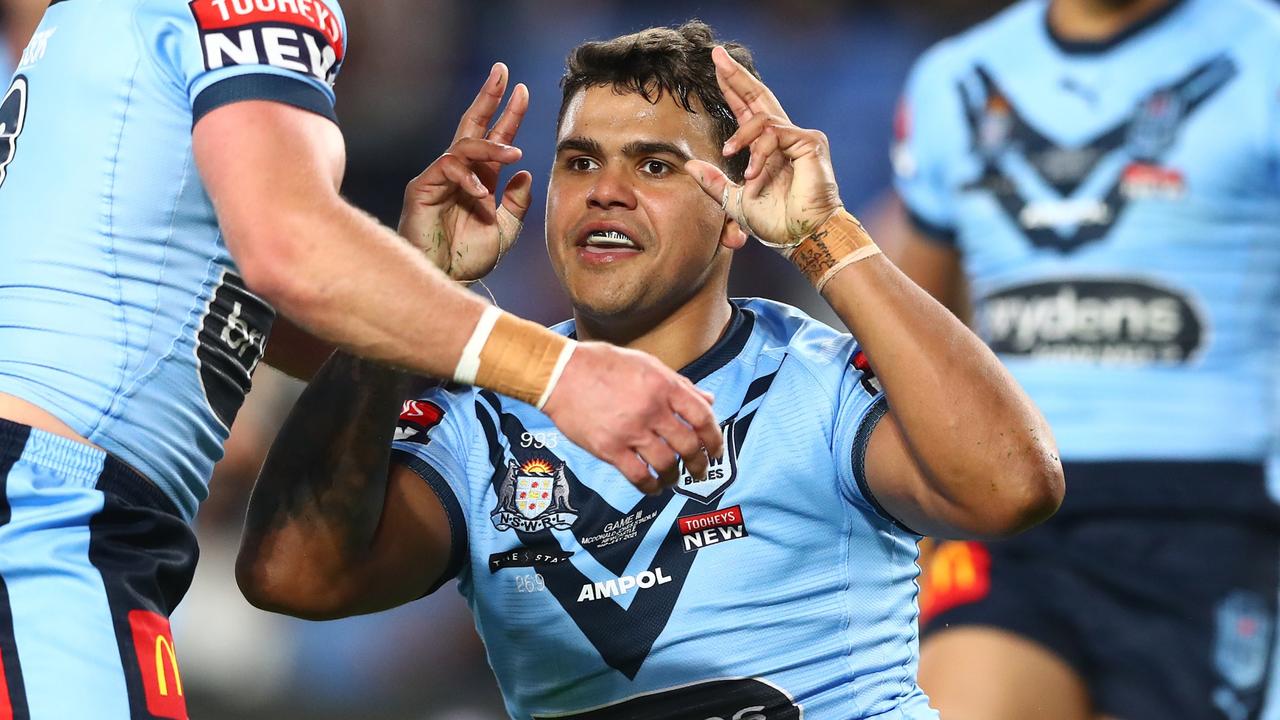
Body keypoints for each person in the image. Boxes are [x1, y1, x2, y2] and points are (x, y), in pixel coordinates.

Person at [237, 21, 1064, 719]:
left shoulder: (818, 381)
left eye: (656, 165)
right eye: (580, 162)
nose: (606, 192)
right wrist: (407, 289)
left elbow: (1013, 487)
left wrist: (825, 235)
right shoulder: (482, 423)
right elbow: (291, 577)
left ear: (735, 209)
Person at [0, 1, 726, 718]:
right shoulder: (267, 5)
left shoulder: (85, 22)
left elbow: (226, 299)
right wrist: (561, 371)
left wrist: (416, 287)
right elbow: (290, 247)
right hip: (49, 511)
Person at [889, 0, 1280, 718]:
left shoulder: (1265, 52)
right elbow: (907, 324)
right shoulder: (953, 79)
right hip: (1010, 503)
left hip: (1218, 515)